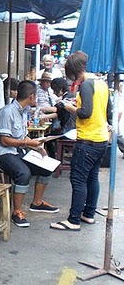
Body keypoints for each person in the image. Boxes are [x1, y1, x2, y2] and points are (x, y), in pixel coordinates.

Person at [50, 51, 112, 231]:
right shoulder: (102, 83)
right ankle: (88, 214)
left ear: (74, 70)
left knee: (78, 179)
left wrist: (68, 106)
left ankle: (74, 219)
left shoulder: (86, 85)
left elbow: (85, 113)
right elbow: (107, 111)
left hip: (88, 140)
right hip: (100, 139)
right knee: (92, 177)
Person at [0, 80, 59, 228]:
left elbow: (21, 137)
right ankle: (17, 212)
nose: (37, 100)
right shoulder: (7, 112)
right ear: (31, 97)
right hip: (0, 153)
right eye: (36, 97)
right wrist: (28, 144)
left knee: (46, 166)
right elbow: (5, 140)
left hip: (16, 151)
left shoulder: (24, 111)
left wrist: (37, 147)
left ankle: (37, 203)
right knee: (23, 173)